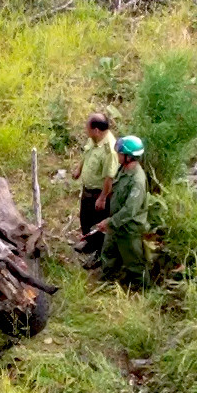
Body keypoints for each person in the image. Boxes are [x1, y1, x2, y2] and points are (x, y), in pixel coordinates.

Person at [92, 135, 148, 286]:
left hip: (128, 228)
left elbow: (130, 209)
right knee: (108, 254)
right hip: (115, 223)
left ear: (129, 157)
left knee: (133, 263)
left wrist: (110, 222)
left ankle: (141, 291)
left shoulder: (137, 180)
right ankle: (106, 283)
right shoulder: (122, 169)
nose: (117, 156)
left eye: (120, 154)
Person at [72, 113, 117, 257]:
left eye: (88, 128)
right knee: (84, 218)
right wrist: (79, 168)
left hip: (98, 194)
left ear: (96, 130)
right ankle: (88, 243)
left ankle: (98, 252)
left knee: (97, 224)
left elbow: (109, 177)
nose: (86, 130)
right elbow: (87, 153)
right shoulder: (94, 139)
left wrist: (103, 198)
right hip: (87, 190)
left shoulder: (110, 150)